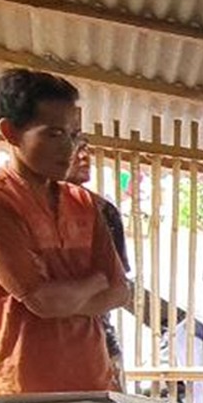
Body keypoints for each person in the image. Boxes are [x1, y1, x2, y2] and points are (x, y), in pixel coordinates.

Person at [0, 69, 130, 395]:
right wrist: (93, 283)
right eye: (53, 134)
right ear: (10, 132)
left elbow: (120, 291)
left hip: (91, 382)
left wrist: (63, 296)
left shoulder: (84, 203)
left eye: (73, 135)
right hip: (21, 390)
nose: (69, 148)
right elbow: (44, 302)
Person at [67, 137, 130, 389]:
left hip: (99, 342)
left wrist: (52, 306)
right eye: (75, 147)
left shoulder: (103, 211)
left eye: (86, 148)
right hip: (36, 354)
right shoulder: (9, 207)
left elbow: (117, 290)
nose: (84, 156)